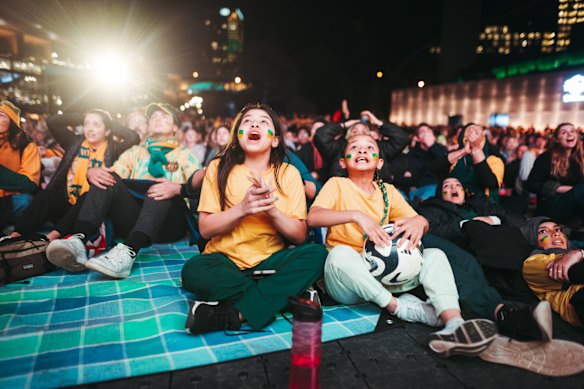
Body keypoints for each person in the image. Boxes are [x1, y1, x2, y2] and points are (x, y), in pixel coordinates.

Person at [307, 133, 497, 357]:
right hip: (347, 279)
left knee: (435, 254)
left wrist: (421, 221)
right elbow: (313, 217)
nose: (362, 151)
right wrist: (356, 216)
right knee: (339, 255)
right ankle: (398, 307)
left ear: (379, 162)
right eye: (355, 147)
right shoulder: (337, 185)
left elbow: (418, 220)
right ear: (343, 162)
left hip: (385, 275)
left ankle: (453, 322)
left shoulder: (387, 191)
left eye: (369, 147)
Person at [181, 103, 327, 335]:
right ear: (238, 134)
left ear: (275, 140)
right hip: (224, 261)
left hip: (271, 263)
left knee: (317, 255)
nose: (255, 124)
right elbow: (206, 229)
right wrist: (243, 208)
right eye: (247, 121)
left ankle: (234, 314)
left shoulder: (289, 174)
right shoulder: (218, 168)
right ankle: (286, 297)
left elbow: (300, 237)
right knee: (192, 270)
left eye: (263, 122)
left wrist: (272, 211)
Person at [45, 103, 200, 277]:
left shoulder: (185, 156)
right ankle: (79, 239)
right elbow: (112, 178)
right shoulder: (134, 152)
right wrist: (93, 172)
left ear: (175, 127)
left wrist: (178, 188)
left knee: (159, 187)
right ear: (149, 125)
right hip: (136, 220)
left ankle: (128, 252)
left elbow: (202, 185)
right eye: (154, 116)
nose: (158, 119)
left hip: (169, 223)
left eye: (165, 117)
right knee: (106, 177)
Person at [6, 109, 139, 241]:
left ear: (108, 131)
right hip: (68, 206)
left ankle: (51, 237)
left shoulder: (115, 148)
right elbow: (53, 121)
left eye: (96, 125)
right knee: (47, 195)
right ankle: (17, 235)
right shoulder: (74, 142)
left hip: (92, 212)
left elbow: (133, 137)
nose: (90, 129)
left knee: (88, 194)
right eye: (86, 124)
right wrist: (86, 116)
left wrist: (107, 121)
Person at [416, 177, 523, 247]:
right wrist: (465, 225)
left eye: (458, 185)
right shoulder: (433, 209)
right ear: (440, 194)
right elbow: (431, 232)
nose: (453, 187)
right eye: (446, 186)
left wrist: (494, 220)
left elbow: (516, 220)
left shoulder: (480, 202)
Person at [313, 110, 409, 183]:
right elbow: (320, 136)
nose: (359, 133)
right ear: (347, 137)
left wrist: (378, 123)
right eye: (354, 131)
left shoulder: (379, 149)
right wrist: (344, 125)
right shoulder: (339, 148)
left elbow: (402, 138)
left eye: (364, 132)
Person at [522, 217, 584, 327]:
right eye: (543, 231)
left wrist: (579, 253)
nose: (555, 234)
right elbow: (575, 272)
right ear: (532, 239)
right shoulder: (532, 263)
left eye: (558, 229)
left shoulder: (576, 252)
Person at [526, 123, 584, 228]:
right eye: (564, 132)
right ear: (557, 139)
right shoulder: (546, 158)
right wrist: (559, 188)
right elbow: (531, 184)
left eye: (572, 131)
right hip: (551, 205)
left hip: (575, 206)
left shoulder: (579, 160)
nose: (569, 134)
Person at [436, 123, 505, 203]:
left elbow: (489, 182)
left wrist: (476, 148)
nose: (473, 137)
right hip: (455, 207)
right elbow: (435, 168)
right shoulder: (457, 158)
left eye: (476, 133)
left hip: (484, 208)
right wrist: (464, 151)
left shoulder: (494, 160)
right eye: (469, 133)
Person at [0, 100, 41, 231]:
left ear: (12, 121)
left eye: (1, 115)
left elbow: (29, 184)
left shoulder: (27, 146)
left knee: (26, 202)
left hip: (13, 200)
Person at [406, 123, 448, 203]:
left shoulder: (441, 149)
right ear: (418, 138)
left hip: (436, 187)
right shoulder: (413, 153)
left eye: (428, 131)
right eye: (422, 132)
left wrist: (432, 146)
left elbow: (445, 162)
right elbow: (412, 175)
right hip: (419, 187)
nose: (426, 134)